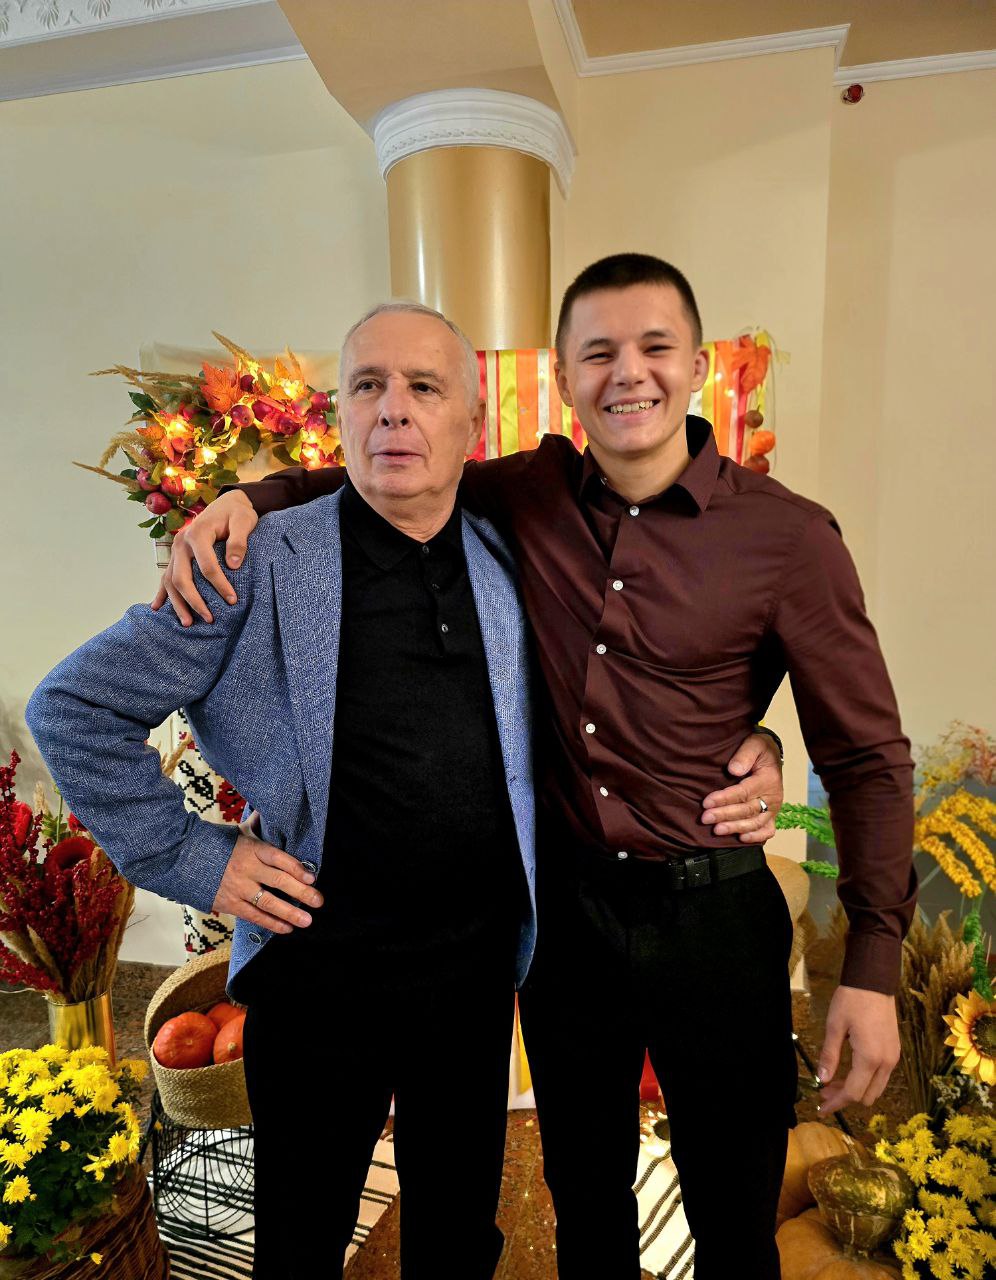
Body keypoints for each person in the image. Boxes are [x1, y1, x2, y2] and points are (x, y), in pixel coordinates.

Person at [157, 256, 912, 1280]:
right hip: (567, 926)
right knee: (586, 1203)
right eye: (599, 352)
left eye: (655, 346)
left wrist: (871, 960)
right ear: (564, 376)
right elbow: (388, 475)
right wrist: (251, 496)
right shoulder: (527, 494)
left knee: (736, 1216)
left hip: (713, 919)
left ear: (698, 365)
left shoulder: (789, 537)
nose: (628, 372)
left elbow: (867, 756)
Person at [28, 302, 544, 1280]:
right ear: (342, 414)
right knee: (301, 1244)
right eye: (367, 385)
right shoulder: (256, 559)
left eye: (423, 386)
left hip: (472, 977)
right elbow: (75, 707)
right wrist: (195, 856)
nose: (393, 408)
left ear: (471, 425)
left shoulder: (507, 561)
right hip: (320, 973)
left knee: (457, 1238)